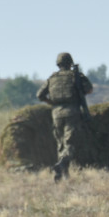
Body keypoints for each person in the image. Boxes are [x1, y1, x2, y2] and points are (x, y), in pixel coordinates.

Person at [37, 52, 93, 181]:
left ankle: (62, 174)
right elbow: (89, 89)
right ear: (70, 63)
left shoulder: (52, 78)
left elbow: (40, 95)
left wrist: (51, 102)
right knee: (71, 143)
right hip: (72, 112)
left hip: (56, 114)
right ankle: (62, 164)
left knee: (60, 143)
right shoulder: (76, 76)